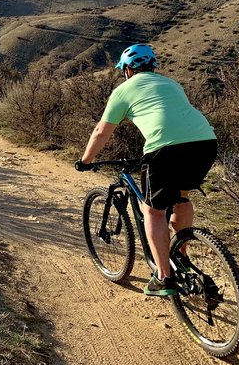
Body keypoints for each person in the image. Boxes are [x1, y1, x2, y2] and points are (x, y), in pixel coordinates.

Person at [75, 44, 217, 297]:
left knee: (152, 211)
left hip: (165, 148)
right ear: (152, 67)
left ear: (127, 70)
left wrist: (86, 160)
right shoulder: (171, 84)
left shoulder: (123, 90)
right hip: (204, 143)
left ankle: (164, 277)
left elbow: (101, 132)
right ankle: (179, 252)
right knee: (181, 196)